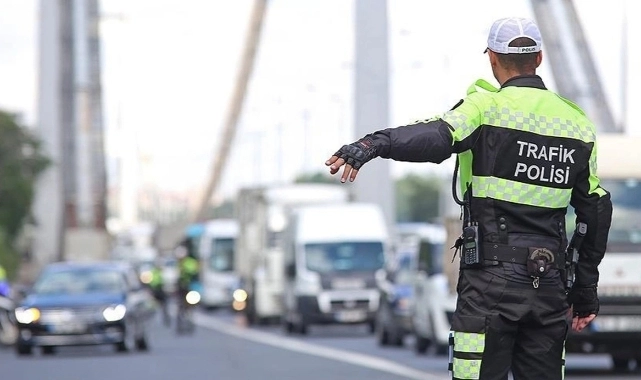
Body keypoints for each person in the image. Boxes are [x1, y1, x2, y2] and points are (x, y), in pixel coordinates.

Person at [325, 17, 612, 380]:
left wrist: (373, 144)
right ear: (539, 58)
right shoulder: (577, 124)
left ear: (492, 58)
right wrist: (584, 291)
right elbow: (597, 210)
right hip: (550, 285)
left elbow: (435, 136)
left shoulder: (485, 108)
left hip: (490, 284)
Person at [149, 259, 170, 327]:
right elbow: (151, 282)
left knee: (164, 304)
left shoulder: (163, 272)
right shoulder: (153, 272)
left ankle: (166, 317)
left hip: (162, 290)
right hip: (156, 290)